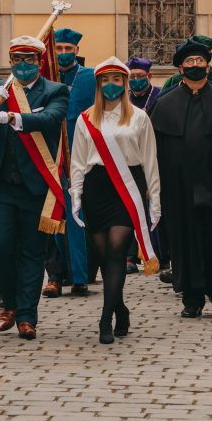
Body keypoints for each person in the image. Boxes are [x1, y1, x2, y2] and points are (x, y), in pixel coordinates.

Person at [151, 39, 212, 319]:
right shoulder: (165, 104)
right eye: (189, 62)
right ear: (180, 67)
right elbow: (153, 149)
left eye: (200, 61)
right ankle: (192, 298)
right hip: (178, 187)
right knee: (185, 240)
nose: (195, 66)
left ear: (208, 66)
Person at [0, 36, 68, 340]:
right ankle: (10, 303)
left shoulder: (55, 91)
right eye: (17, 59)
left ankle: (27, 316)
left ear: (40, 62)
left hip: (34, 187)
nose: (23, 65)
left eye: (29, 59)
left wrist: (12, 116)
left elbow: (50, 118)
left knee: (32, 253)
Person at [69, 58, 161, 344]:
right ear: (99, 85)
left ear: (124, 84)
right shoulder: (86, 118)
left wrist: (154, 200)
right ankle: (121, 307)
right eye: (105, 80)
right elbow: (78, 161)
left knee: (117, 250)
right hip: (97, 187)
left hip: (128, 186)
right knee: (103, 255)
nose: (111, 85)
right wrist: (76, 196)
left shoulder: (138, 117)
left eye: (116, 80)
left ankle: (105, 317)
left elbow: (150, 161)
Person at [43, 28, 95, 298]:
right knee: (52, 217)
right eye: (59, 48)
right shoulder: (44, 77)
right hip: (49, 156)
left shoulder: (89, 77)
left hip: (80, 156)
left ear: (76, 50)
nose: (63, 53)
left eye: (67, 49)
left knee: (78, 217)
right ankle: (54, 276)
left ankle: (80, 276)